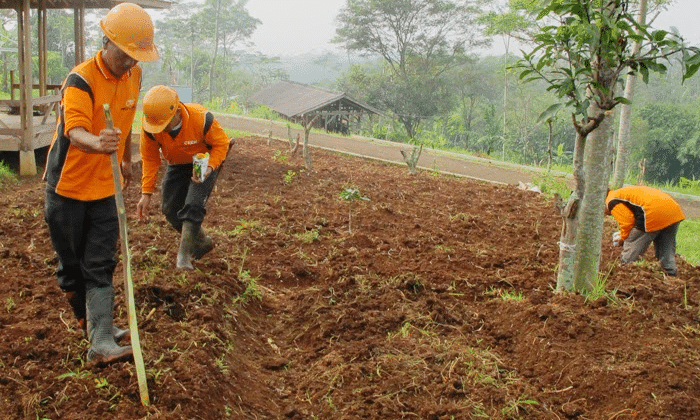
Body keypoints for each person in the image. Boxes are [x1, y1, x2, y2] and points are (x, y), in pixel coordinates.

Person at [43, 3, 159, 365]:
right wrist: (98, 143)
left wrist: (124, 159)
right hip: (68, 190)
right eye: (125, 54)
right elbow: (74, 131)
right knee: (71, 268)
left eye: (135, 56)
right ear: (106, 41)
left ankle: (103, 336)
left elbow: (125, 122)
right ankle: (92, 328)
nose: (130, 62)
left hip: (106, 187)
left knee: (100, 261)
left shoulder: (134, 76)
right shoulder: (80, 80)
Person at [136, 85, 231, 271]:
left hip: (203, 160)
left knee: (192, 204)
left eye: (165, 124)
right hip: (176, 163)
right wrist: (146, 193)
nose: (160, 130)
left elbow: (222, 144)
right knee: (170, 209)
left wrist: (210, 168)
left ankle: (184, 255)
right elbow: (150, 158)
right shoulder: (151, 127)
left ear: (178, 112)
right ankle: (201, 241)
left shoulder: (202, 118)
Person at [605, 186, 685, 276]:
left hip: (652, 213)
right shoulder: (620, 193)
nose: (606, 215)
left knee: (632, 241)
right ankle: (671, 274)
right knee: (666, 248)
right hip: (673, 211)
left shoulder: (611, 201)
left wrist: (622, 238)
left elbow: (627, 222)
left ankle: (626, 271)